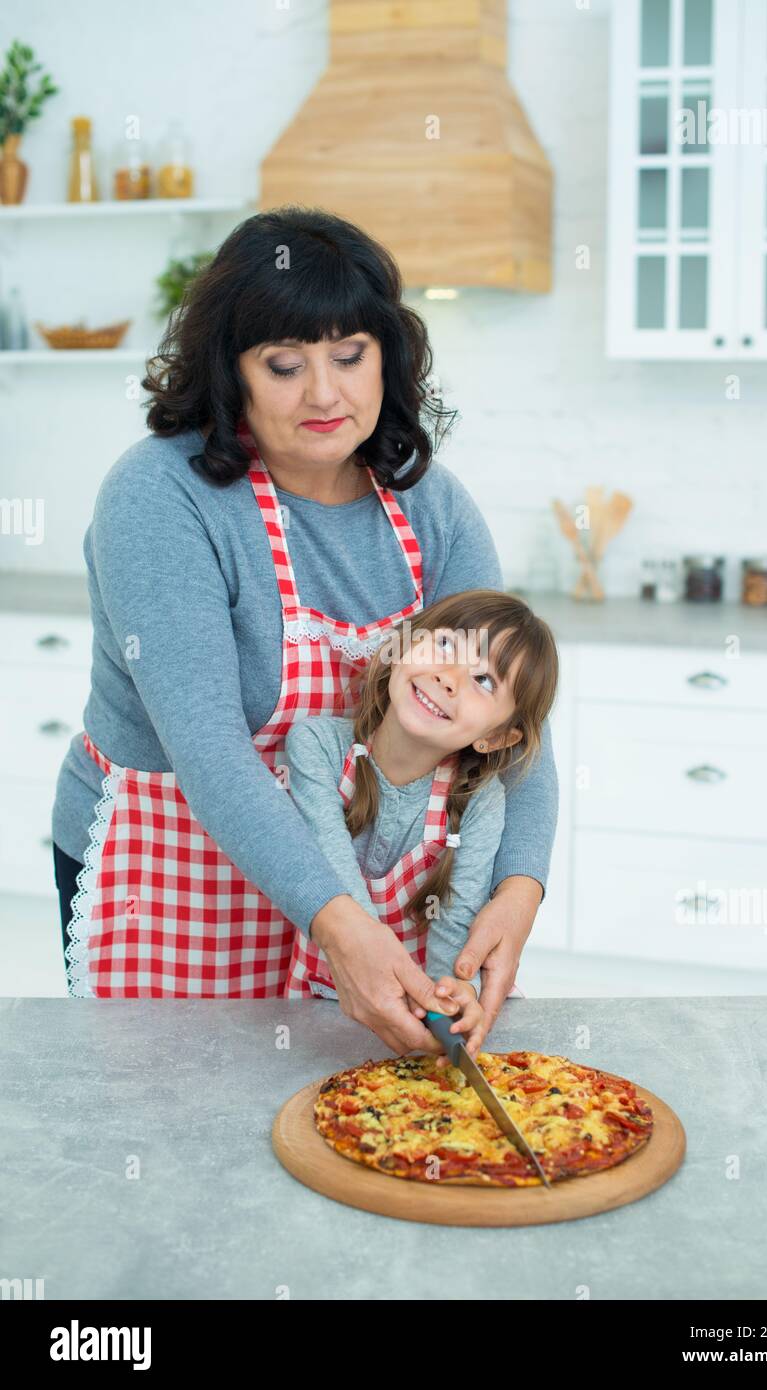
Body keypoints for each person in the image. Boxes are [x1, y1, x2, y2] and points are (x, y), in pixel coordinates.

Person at [50, 204, 559, 1057]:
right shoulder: (160, 497)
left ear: (387, 357)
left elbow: (513, 719)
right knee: (167, 1133)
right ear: (232, 373)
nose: (325, 393)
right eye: (284, 365)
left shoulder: (429, 505)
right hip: (179, 878)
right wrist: (335, 922)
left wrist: (519, 888)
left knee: (351, 1133)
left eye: (350, 356)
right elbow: (208, 746)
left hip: (367, 892)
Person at [283, 590, 559, 1063]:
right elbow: (334, 882)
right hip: (322, 1013)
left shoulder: (478, 799)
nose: (448, 678)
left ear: (496, 737)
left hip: (425, 1025)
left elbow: (457, 924)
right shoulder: (316, 748)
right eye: (447, 646)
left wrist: (450, 1001)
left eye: (485, 681)